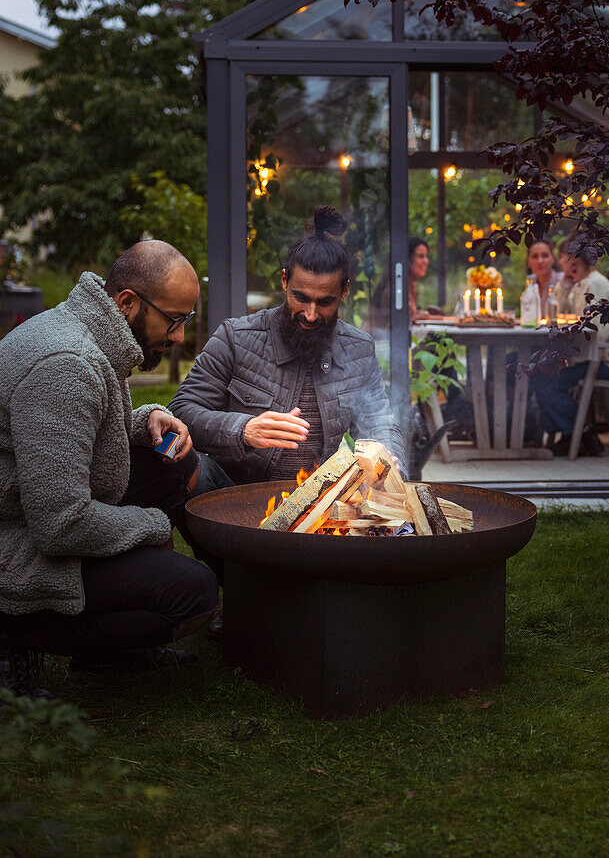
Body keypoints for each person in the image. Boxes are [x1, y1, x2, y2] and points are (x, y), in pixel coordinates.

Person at [0, 241, 219, 699]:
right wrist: (154, 525)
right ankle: (15, 637)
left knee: (176, 464)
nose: (180, 336)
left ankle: (106, 652)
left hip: (37, 511)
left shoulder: (93, 331)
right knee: (192, 596)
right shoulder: (66, 364)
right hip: (17, 545)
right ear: (127, 302)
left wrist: (144, 422)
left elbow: (84, 432)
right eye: (175, 320)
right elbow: (59, 524)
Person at [171, 205, 407, 490]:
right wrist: (243, 430)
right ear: (284, 281)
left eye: (325, 302)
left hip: (319, 501)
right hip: (235, 492)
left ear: (344, 291)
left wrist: (388, 458)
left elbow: (379, 423)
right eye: (301, 297)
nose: (310, 314)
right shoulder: (236, 338)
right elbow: (181, 412)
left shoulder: (358, 349)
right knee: (192, 467)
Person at [533, 242, 609, 457]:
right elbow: (562, 313)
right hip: (596, 356)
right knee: (541, 373)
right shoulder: (582, 284)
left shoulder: (595, 285)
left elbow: (598, 333)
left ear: (575, 261)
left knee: (546, 378)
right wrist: (565, 287)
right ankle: (572, 434)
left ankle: (582, 434)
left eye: (563, 258)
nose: (560, 263)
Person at [526, 239, 563, 319]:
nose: (540, 261)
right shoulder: (530, 283)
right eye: (535, 256)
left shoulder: (562, 281)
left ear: (553, 258)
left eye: (545, 255)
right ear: (528, 261)